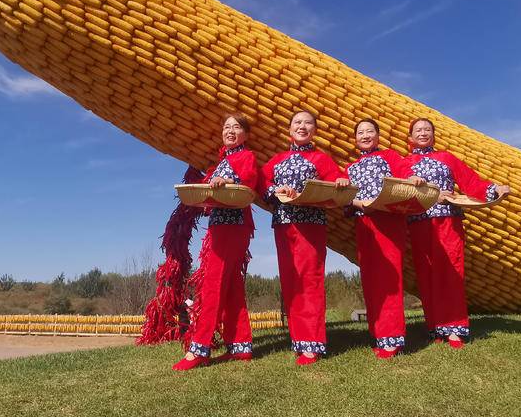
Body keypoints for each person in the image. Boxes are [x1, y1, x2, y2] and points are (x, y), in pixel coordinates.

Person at [404, 118, 511, 348]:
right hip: (419, 223)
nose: (423, 133)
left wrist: (495, 189)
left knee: (451, 272)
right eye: (418, 130)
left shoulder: (446, 158)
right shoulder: (405, 164)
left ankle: (455, 329)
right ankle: (435, 327)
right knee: (427, 275)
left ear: (433, 135)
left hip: (447, 221)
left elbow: (471, 182)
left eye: (427, 130)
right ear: (410, 137)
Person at [262, 109, 349, 365]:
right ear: (289, 129)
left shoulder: (321, 159)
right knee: (291, 282)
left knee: (310, 281)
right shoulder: (277, 160)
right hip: (283, 225)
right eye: (297, 122)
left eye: (307, 123)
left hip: (311, 226)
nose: (302, 126)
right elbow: (262, 181)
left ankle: (313, 343)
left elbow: (335, 179)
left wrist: (341, 181)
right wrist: (274, 188)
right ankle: (298, 339)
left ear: (314, 130)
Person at [174, 114, 260, 371]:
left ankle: (199, 347)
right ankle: (240, 346)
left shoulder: (246, 157)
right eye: (226, 127)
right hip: (220, 225)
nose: (230, 131)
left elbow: (249, 185)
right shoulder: (223, 161)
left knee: (213, 284)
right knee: (231, 285)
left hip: (233, 226)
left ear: (245, 134)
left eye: (236, 127)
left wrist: (227, 182)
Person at [346, 118, 426, 359]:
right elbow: (345, 198)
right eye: (361, 132)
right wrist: (357, 203)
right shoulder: (350, 168)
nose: (365, 135)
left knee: (389, 277)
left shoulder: (390, 157)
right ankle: (378, 332)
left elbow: (405, 176)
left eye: (370, 131)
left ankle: (392, 338)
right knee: (370, 276)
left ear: (378, 136)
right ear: (355, 139)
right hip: (364, 224)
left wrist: (413, 179)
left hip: (389, 223)